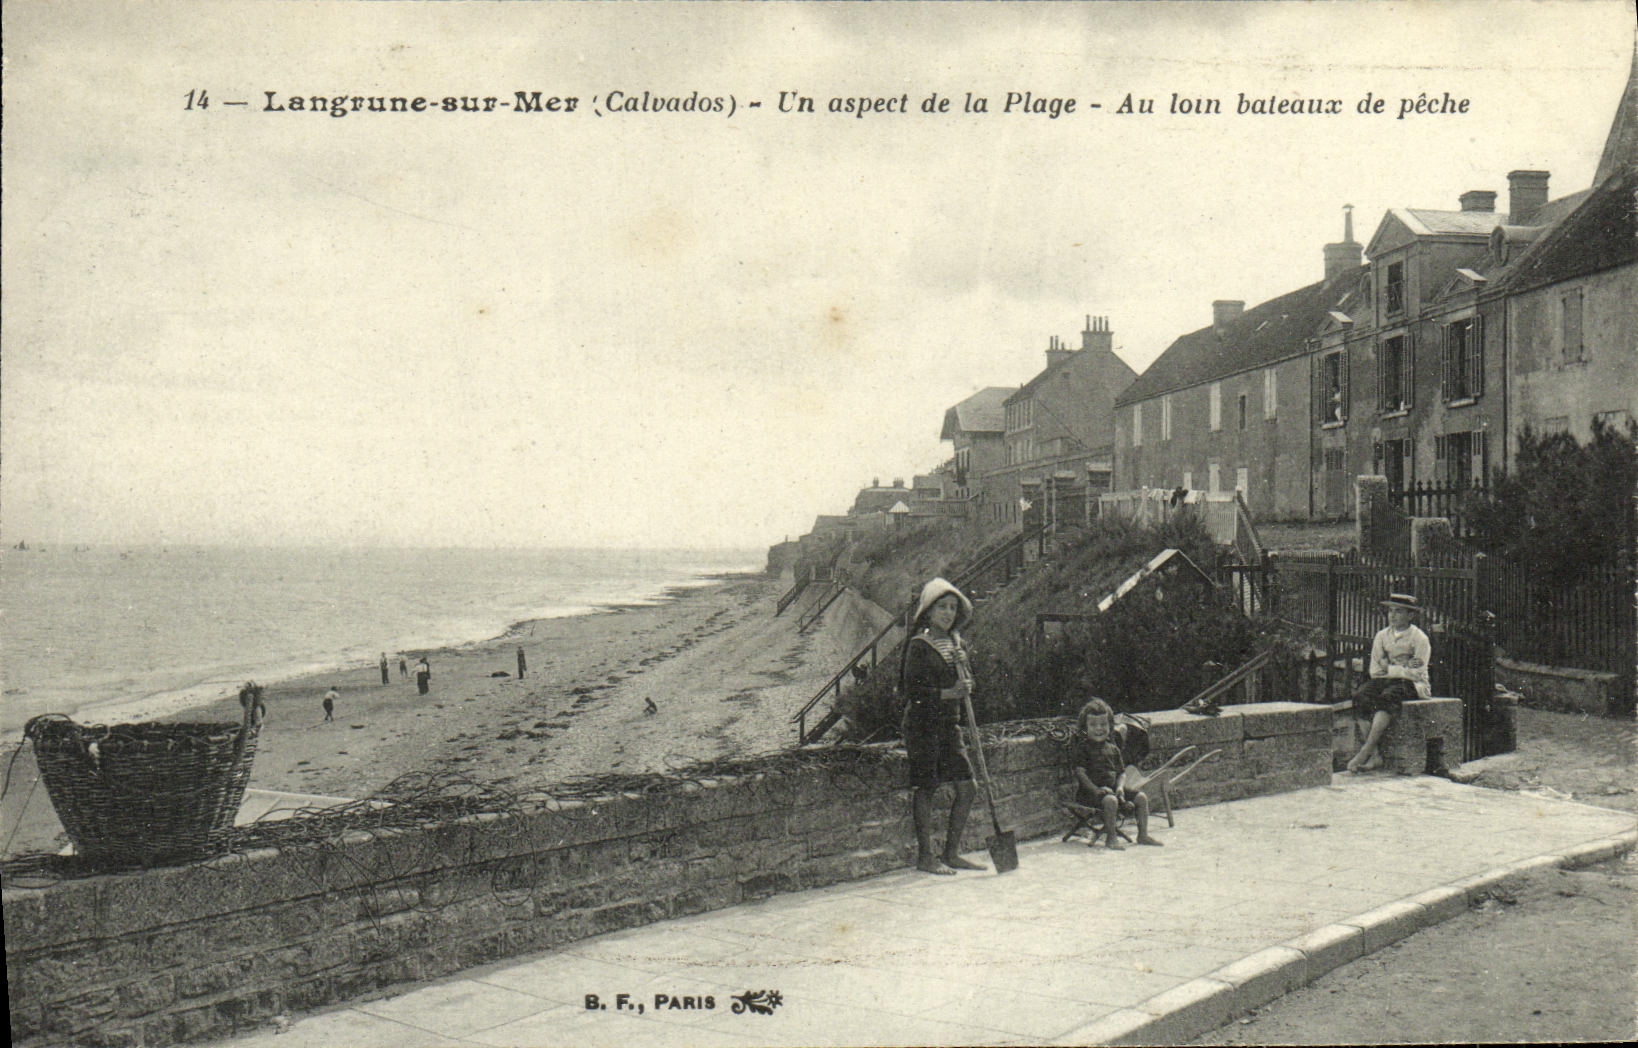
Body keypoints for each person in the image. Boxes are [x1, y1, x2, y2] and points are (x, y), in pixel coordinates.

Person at [899, 577, 984, 875]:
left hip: (949, 726)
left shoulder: (957, 643)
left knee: (968, 787)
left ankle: (951, 853)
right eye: (942, 607)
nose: (948, 613)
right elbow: (913, 692)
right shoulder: (919, 646)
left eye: (952, 608)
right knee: (927, 787)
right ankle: (926, 857)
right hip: (922, 727)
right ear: (929, 611)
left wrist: (966, 671)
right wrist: (950, 693)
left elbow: (968, 685)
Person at [1346, 592, 1432, 773]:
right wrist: (1401, 666)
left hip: (1414, 684)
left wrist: (1390, 667)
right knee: (1360, 696)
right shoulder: (1382, 636)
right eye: (1390, 611)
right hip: (1386, 680)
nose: (1392, 615)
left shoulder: (1419, 638)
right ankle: (1375, 755)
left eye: (1398, 611)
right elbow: (1375, 670)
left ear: (1410, 615)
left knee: (1388, 697)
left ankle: (1365, 751)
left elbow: (1416, 673)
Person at [1072, 698, 1163, 849]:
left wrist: (1120, 788)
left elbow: (1121, 773)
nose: (1099, 729)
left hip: (1113, 789)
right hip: (1089, 793)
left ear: (1110, 725)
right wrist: (1096, 790)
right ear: (1085, 727)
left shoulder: (1113, 749)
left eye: (1103, 724)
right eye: (1093, 725)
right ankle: (1111, 838)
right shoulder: (1083, 748)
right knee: (1110, 801)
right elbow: (1080, 773)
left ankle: (1143, 835)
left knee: (1141, 797)